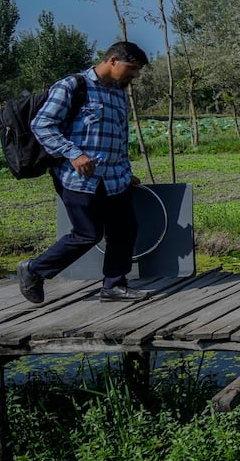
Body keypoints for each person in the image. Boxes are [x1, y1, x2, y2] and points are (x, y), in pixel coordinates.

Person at [16, 41, 151, 304]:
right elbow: (42, 125)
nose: (135, 75)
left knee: (125, 228)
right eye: (132, 68)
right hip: (78, 178)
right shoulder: (72, 86)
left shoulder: (118, 93)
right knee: (87, 233)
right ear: (113, 60)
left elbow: (119, 139)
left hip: (115, 177)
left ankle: (114, 285)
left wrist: (126, 171)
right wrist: (74, 153)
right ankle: (33, 270)